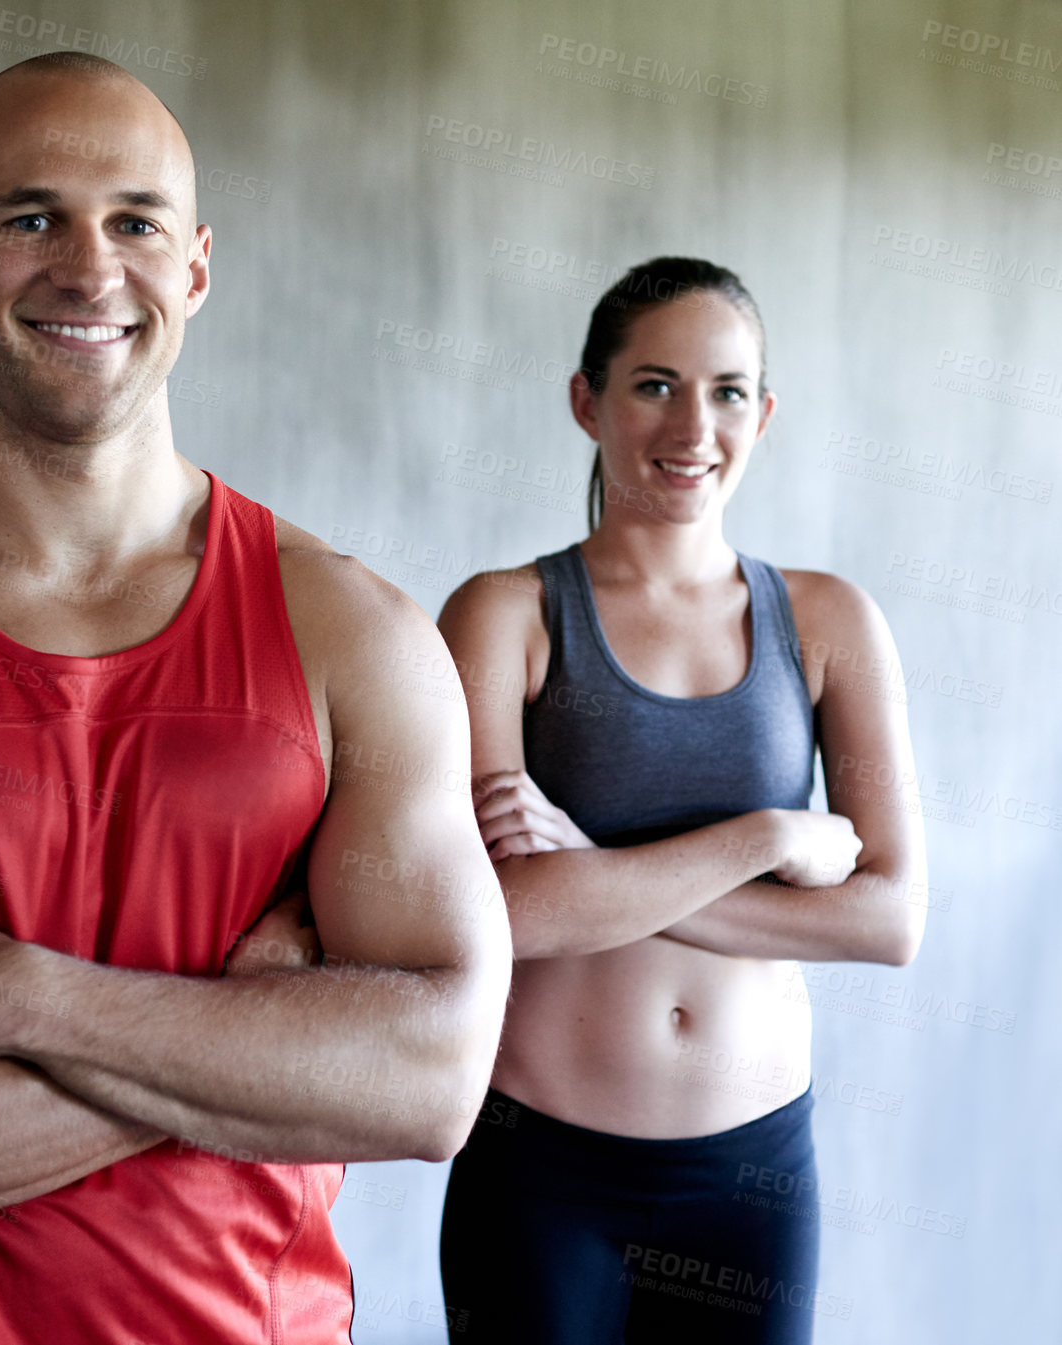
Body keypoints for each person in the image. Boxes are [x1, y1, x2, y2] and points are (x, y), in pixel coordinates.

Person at [0, 53, 511, 1343]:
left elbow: (432, 1084)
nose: (89, 268)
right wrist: (262, 1048)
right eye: (27, 217)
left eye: (136, 221)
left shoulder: (354, 631)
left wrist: (11, 997)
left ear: (197, 268)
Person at [436, 257, 926, 1344]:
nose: (693, 424)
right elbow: (493, 913)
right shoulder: (504, 615)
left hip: (752, 1178)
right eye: (655, 384)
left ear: (765, 411)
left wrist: (590, 873)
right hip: (543, 1168)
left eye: (728, 390)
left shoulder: (830, 621)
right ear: (587, 401)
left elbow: (889, 919)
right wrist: (765, 835)